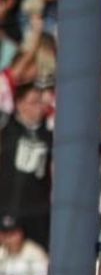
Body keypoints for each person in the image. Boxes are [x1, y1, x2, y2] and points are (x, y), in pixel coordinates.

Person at [0, 83, 51, 249]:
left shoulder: (49, 133)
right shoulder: (7, 128)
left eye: (41, 103)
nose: (39, 107)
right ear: (20, 104)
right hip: (8, 207)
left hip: (38, 212)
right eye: (34, 102)